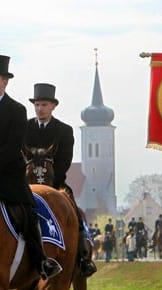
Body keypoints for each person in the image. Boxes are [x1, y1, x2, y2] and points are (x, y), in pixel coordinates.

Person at [24, 82, 97, 277]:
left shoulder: (64, 131)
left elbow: (64, 161)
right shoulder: (25, 128)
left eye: (44, 105)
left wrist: (50, 186)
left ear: (53, 106)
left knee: (75, 212)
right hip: (27, 184)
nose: (40, 109)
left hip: (55, 184)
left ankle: (83, 257)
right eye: (37, 105)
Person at [0, 55, 62, 279]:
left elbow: (10, 148)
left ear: (5, 82)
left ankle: (41, 261)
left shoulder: (16, 110)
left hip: (7, 177)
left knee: (27, 214)